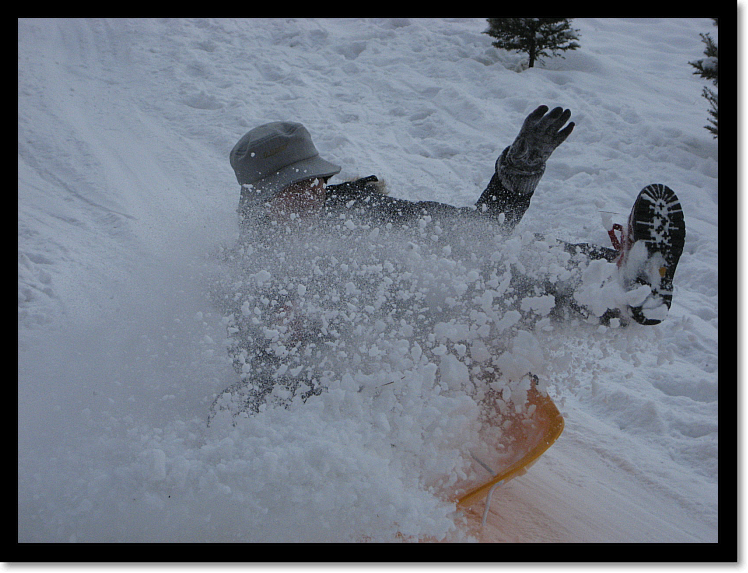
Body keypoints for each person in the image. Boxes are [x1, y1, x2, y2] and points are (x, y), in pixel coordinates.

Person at [211, 106, 685, 421]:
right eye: (295, 188)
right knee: (266, 392)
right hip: (348, 394)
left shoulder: (360, 212)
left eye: (314, 182)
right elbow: (255, 367)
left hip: (428, 354)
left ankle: (623, 285)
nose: (311, 195)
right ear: (262, 199)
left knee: (494, 270)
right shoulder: (248, 270)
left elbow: (474, 234)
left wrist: (516, 173)